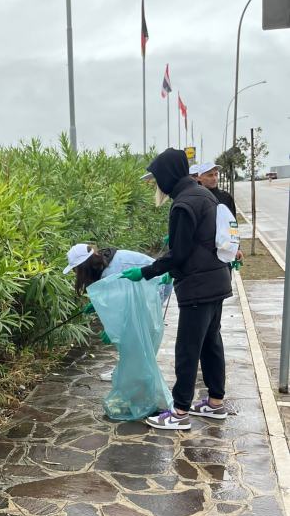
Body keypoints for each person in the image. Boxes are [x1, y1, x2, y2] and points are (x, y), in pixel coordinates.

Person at [121, 148, 233, 431]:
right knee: (211, 343)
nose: (156, 185)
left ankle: (180, 411)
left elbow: (179, 254)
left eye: (157, 178)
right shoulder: (202, 194)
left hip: (198, 285)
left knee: (187, 349)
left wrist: (146, 272)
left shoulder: (183, 203)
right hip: (217, 280)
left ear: (167, 176)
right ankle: (215, 402)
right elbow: (200, 237)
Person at [63, 243, 172, 380]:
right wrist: (96, 305)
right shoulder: (104, 262)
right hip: (149, 284)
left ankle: (132, 372)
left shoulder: (112, 270)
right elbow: (116, 296)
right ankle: (128, 370)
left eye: (76, 269)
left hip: (157, 284)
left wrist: (114, 330)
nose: (76, 273)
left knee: (135, 331)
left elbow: (126, 307)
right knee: (132, 332)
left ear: (84, 265)